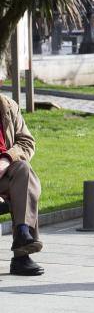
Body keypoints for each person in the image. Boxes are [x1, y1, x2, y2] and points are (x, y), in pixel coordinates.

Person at [0, 95, 43, 276]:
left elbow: (26, 142)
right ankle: (22, 252)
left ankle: (22, 237)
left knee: (24, 171)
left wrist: (7, 158)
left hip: (5, 172)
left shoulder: (8, 106)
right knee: (25, 184)